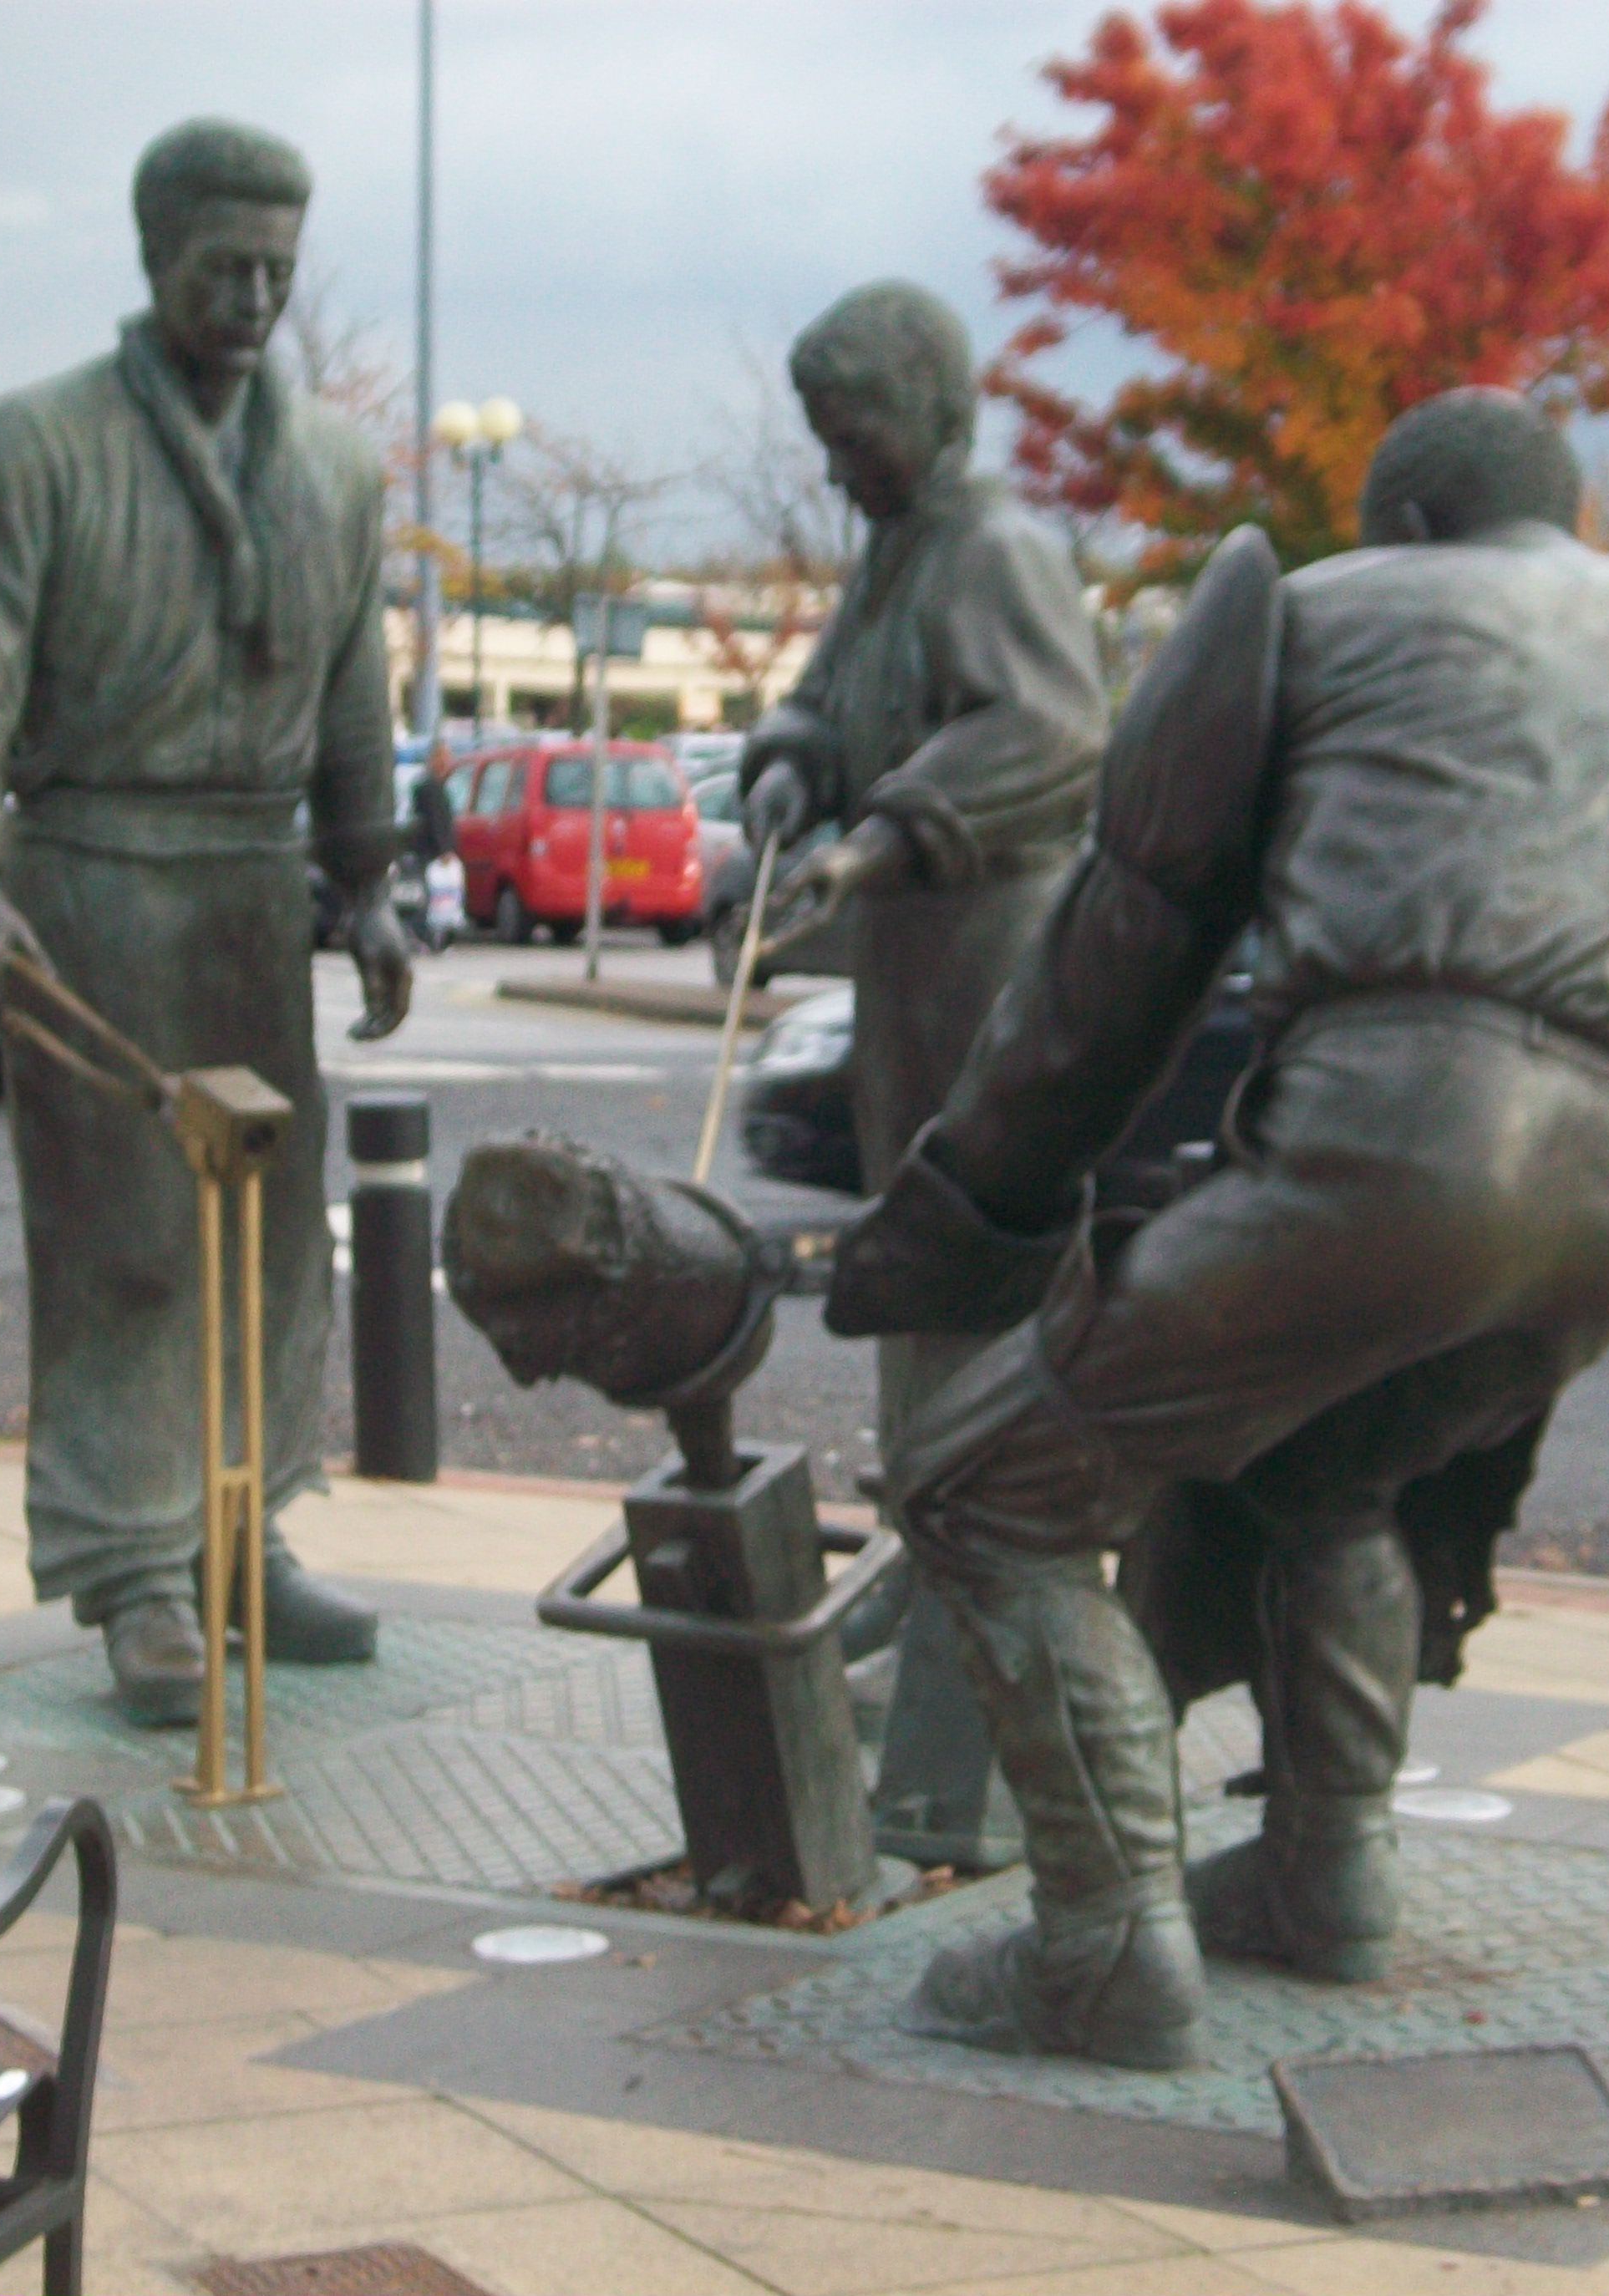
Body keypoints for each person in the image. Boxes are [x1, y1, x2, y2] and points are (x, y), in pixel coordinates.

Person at [829, 387, 1609, 2066]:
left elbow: (1124, 946)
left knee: (975, 1484)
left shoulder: (1305, 611)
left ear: (1397, 526)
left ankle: (1100, 1948)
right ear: (1565, 525)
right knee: (1328, 1473)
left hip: (1393, 1150)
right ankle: (1324, 1877)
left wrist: (974, 1201)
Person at [0, 117, 411, 1726]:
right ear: (154, 257)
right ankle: (137, 1571)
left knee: (267, 1234)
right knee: (127, 1240)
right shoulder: (31, 445)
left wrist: (371, 879)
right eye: (225, 266)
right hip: (94, 878)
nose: (257, 295)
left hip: (255, 892)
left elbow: (354, 686)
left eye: (280, 266)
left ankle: (243, 1538)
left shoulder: (337, 464)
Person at [736, 279, 1105, 1863]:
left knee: (981, 1270)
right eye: (821, 441)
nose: (837, 469)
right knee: (912, 1266)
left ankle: (986, 1582)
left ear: (940, 410)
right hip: (910, 968)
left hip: (993, 969)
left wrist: (884, 834)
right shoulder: (894, 551)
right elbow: (835, 700)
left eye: (855, 434)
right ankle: (927, 1547)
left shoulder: (1000, 549)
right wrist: (787, 762)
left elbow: (1051, 729)